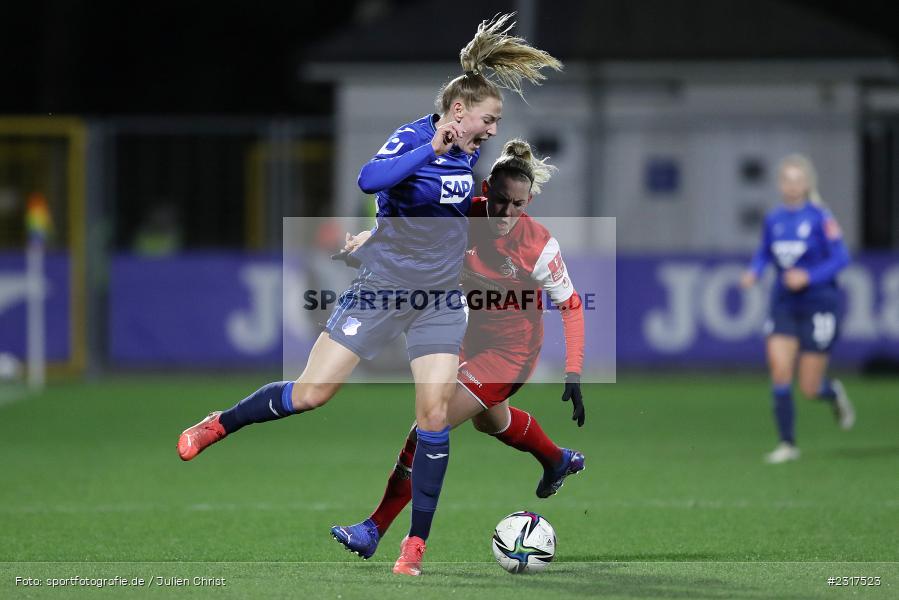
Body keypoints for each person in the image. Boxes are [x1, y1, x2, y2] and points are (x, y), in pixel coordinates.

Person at [176, 13, 562, 577]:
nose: (491, 130)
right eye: (487, 119)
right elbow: (370, 182)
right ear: (457, 113)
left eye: (495, 121)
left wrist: (382, 231)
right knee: (311, 394)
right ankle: (219, 423)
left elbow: (438, 217)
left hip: (437, 302)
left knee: (431, 417)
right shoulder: (416, 139)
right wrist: (429, 149)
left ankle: (414, 547)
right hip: (382, 291)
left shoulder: (467, 155)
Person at [330, 139, 586, 560]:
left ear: (530, 200)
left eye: (518, 205)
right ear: (486, 188)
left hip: (511, 352)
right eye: (500, 201)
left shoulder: (540, 246)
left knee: (431, 422)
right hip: (466, 335)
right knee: (490, 421)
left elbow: (572, 307)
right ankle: (556, 460)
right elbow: (410, 234)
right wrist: (367, 245)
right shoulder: (462, 214)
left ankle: (375, 528)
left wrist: (573, 371)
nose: (506, 214)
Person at [740, 154, 854, 464]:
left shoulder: (820, 217)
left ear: (806, 184)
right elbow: (764, 252)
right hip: (784, 303)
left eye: (797, 179)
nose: (791, 185)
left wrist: (809, 276)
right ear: (780, 184)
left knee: (809, 387)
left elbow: (842, 257)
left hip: (818, 303)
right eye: (786, 179)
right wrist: (755, 271)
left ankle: (833, 394)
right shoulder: (774, 219)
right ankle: (787, 444)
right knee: (779, 370)